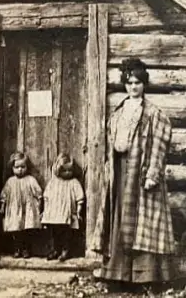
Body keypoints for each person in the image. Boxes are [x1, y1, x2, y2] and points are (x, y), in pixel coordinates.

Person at [91, 58, 176, 287]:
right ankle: (117, 275)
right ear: (125, 85)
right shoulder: (120, 110)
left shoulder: (153, 113)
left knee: (143, 222)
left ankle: (145, 276)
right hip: (120, 171)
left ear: (144, 84)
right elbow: (111, 141)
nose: (133, 87)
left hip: (141, 171)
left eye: (138, 83)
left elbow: (159, 146)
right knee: (119, 219)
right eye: (129, 83)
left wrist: (152, 174)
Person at [41, 153, 84, 262]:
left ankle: (66, 250)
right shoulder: (53, 182)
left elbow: (80, 198)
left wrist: (79, 212)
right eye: (64, 170)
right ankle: (55, 249)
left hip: (67, 213)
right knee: (54, 232)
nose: (68, 173)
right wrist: (45, 210)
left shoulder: (74, 182)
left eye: (70, 170)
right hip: (54, 213)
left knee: (66, 233)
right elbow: (46, 196)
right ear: (58, 170)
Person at [0, 152, 42, 258]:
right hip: (14, 210)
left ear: (27, 167)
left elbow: (38, 193)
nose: (20, 169)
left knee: (27, 230)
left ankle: (26, 249)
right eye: (17, 167)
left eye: (23, 167)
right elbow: (4, 195)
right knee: (16, 231)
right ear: (12, 168)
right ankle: (17, 249)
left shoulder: (30, 180)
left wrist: (40, 205)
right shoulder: (10, 182)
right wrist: (2, 206)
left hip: (27, 209)